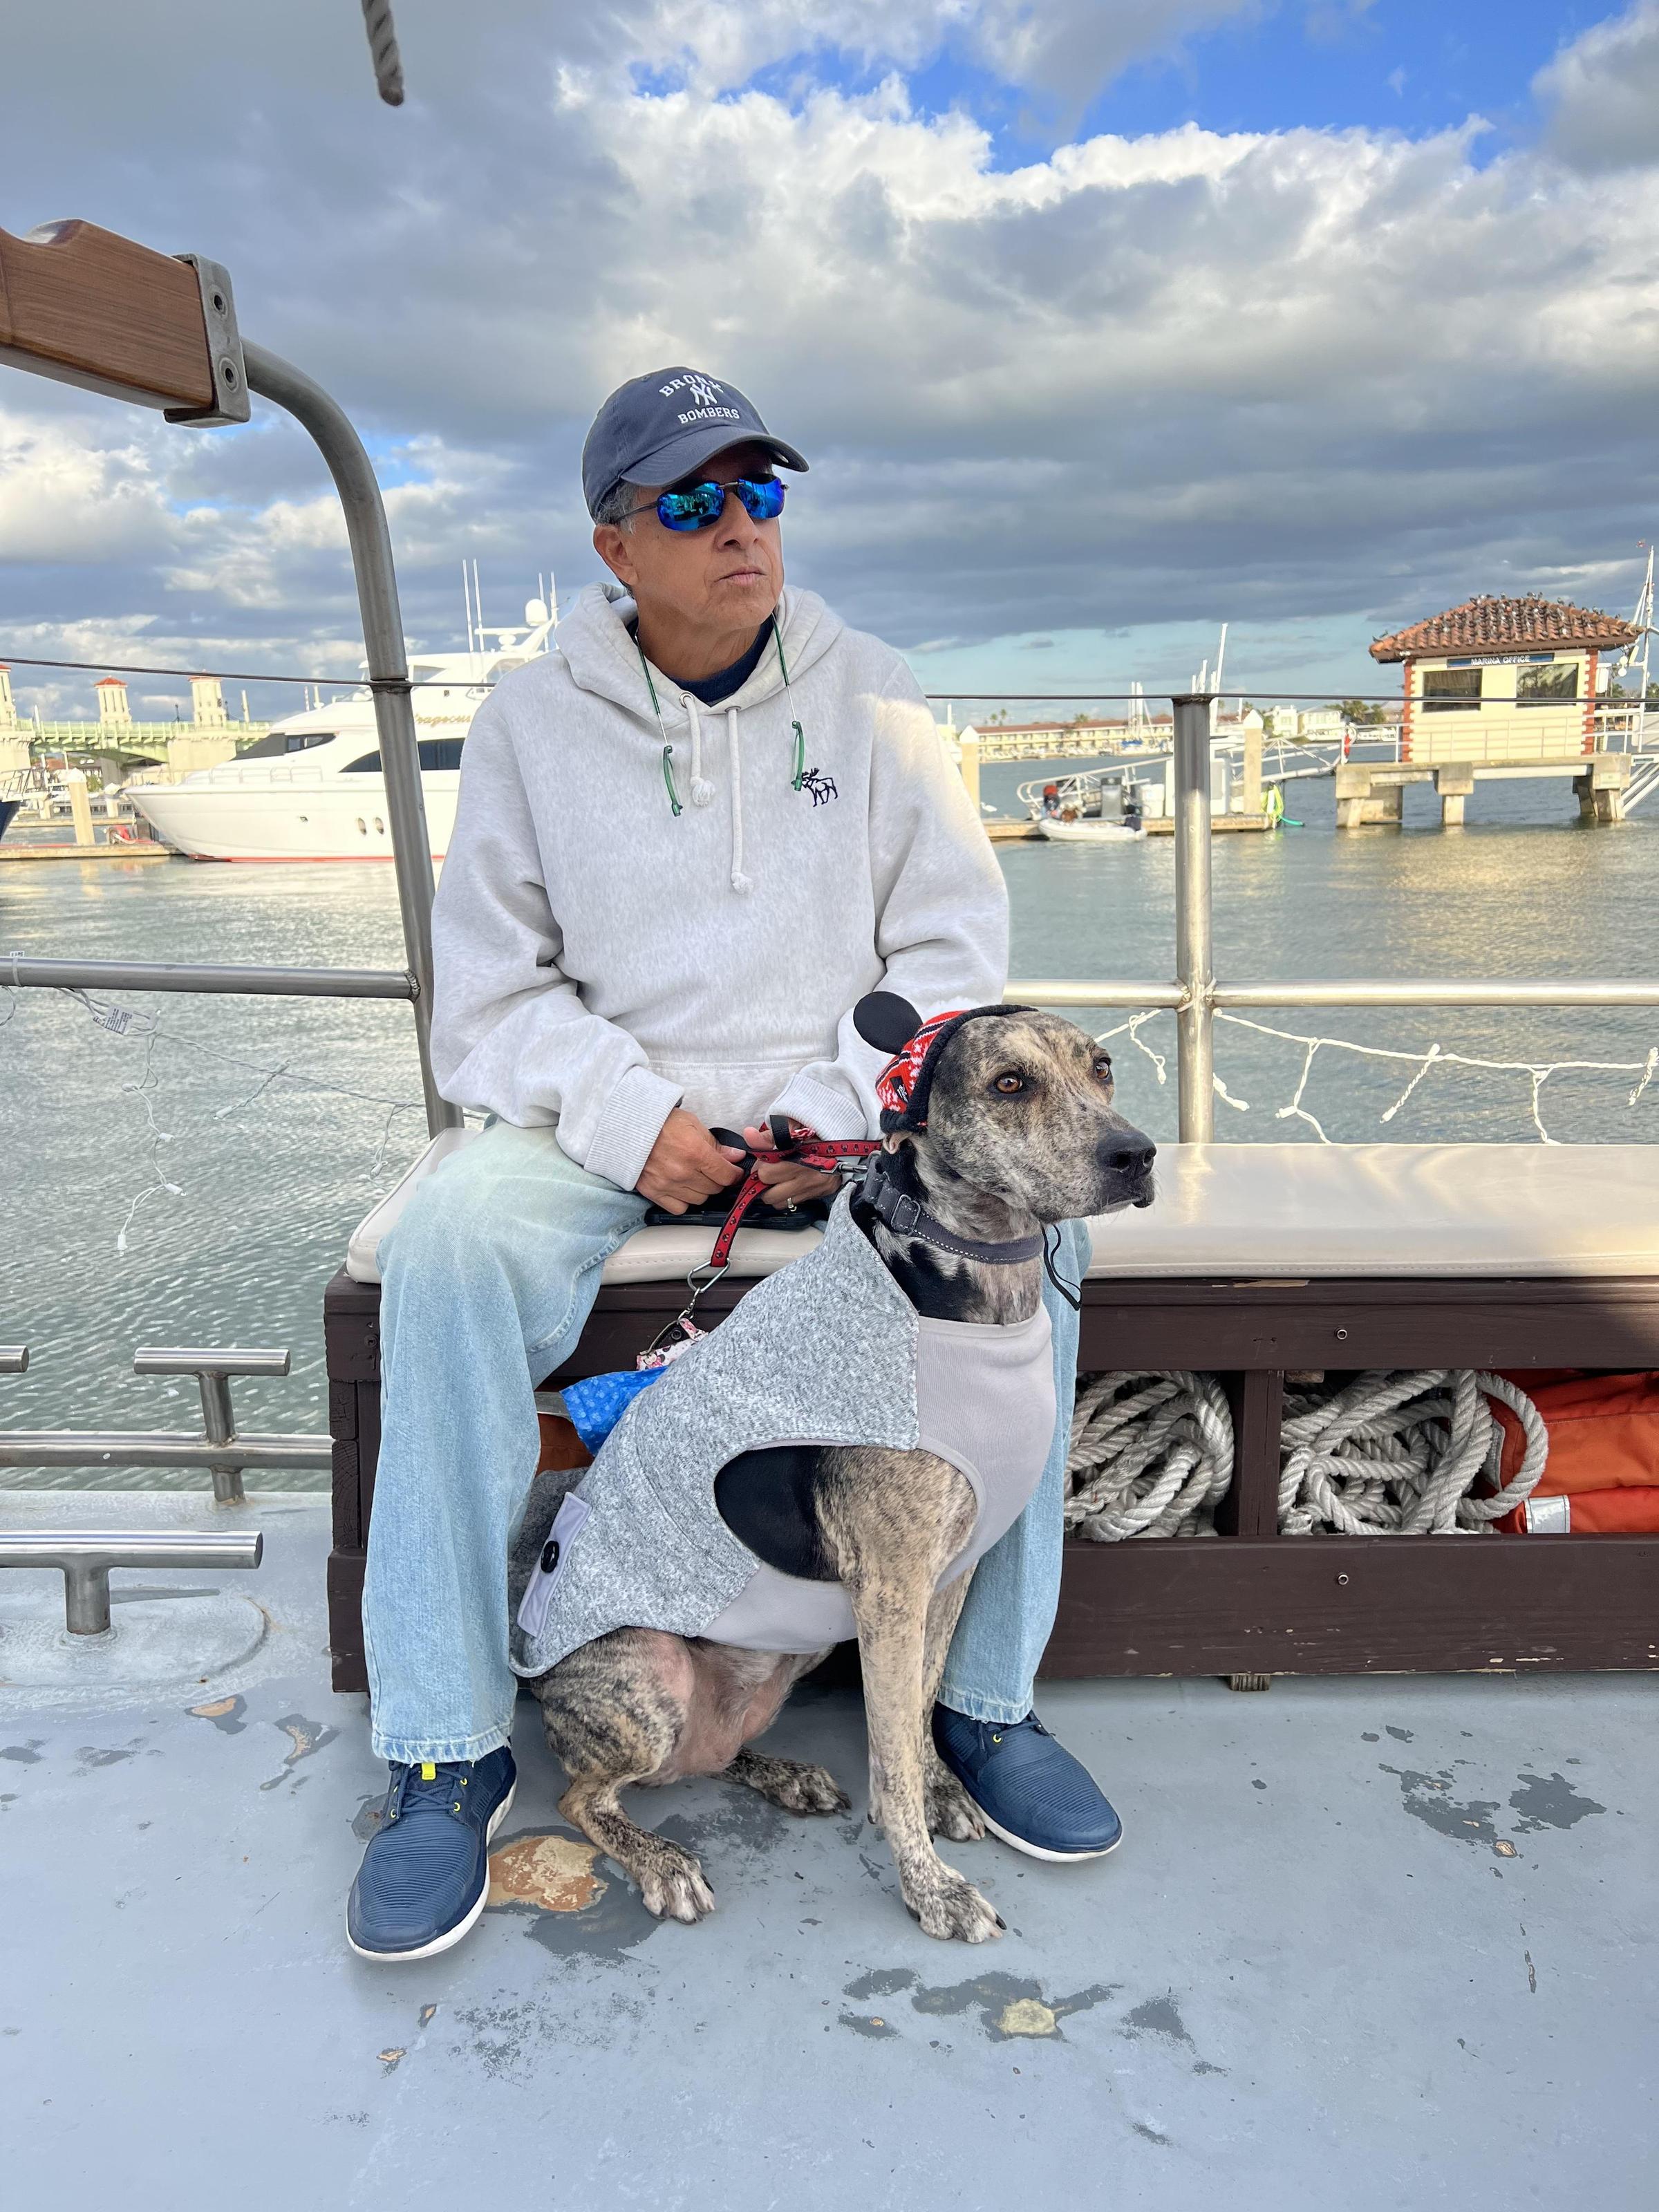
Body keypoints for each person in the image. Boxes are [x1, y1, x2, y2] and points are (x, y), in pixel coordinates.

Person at [346, 367, 1122, 1962]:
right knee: (446, 1248)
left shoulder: (881, 697)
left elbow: (951, 951)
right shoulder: (528, 721)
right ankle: (443, 1740)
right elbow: (488, 996)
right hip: (597, 1120)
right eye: (690, 505)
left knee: (1049, 1243)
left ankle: (982, 1701)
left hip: (844, 1123)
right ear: (613, 546)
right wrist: (640, 1123)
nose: (737, 531)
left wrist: (833, 1113)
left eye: (757, 493)